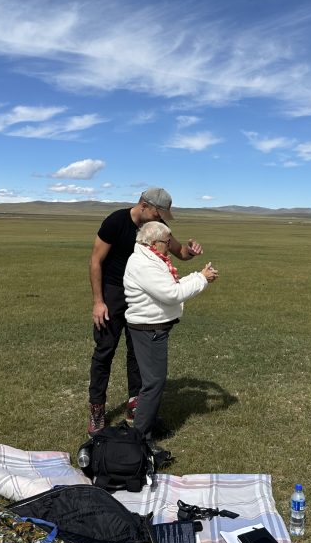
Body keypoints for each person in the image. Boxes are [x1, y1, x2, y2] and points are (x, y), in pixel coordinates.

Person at [88, 188, 203, 435]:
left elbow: (179, 251)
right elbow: (95, 260)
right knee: (105, 350)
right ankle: (97, 408)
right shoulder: (116, 221)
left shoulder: (156, 225)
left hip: (141, 295)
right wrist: (99, 301)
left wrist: (190, 252)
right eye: (158, 212)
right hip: (113, 292)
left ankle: (135, 404)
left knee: (136, 353)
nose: (160, 218)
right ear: (143, 205)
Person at [124, 221, 218, 450]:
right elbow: (171, 294)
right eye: (167, 242)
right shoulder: (144, 264)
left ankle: (148, 426)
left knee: (152, 382)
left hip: (150, 327)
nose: (169, 246)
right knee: (153, 383)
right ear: (154, 242)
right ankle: (141, 439)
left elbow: (170, 285)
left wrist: (198, 276)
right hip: (149, 329)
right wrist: (202, 279)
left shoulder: (151, 259)